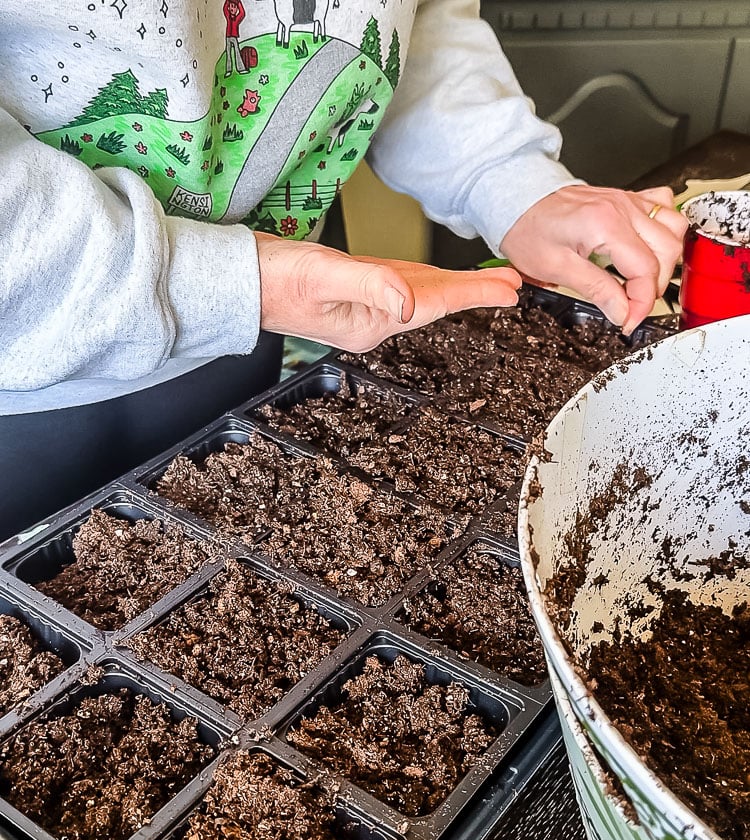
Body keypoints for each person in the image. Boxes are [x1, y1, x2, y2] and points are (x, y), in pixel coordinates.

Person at [0, 0, 685, 538]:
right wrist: (237, 281)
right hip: (23, 378)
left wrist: (507, 177)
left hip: (244, 330)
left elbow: (394, 24)